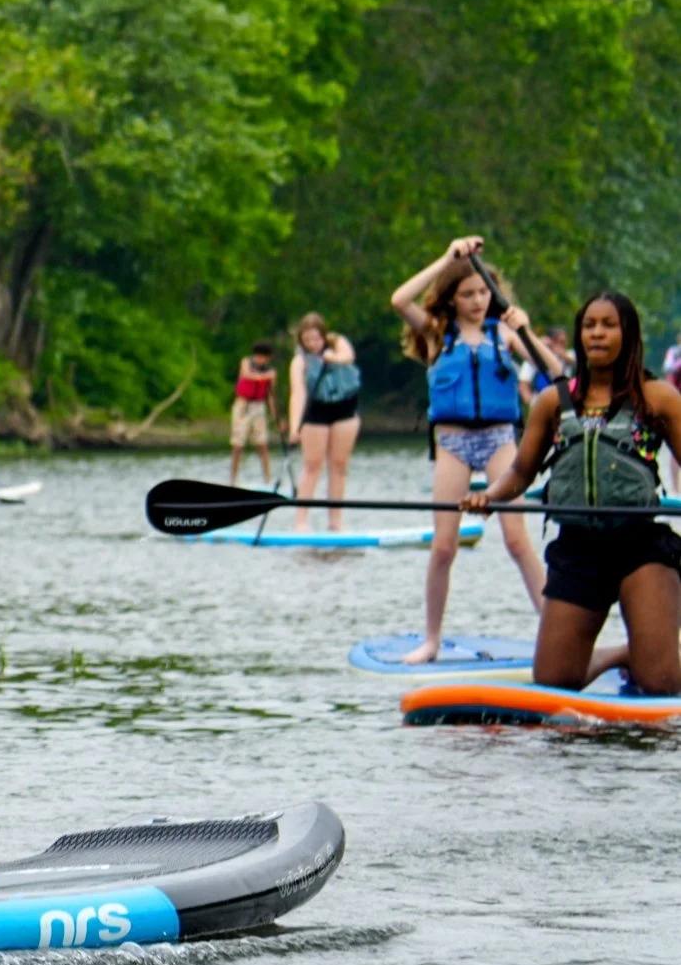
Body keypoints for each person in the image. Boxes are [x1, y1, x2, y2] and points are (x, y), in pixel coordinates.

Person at [467, 290, 681, 693]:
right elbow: (520, 471)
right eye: (589, 325)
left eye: (608, 325)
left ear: (629, 334)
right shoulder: (551, 402)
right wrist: (490, 496)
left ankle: (651, 656)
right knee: (554, 681)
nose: (596, 334)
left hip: (641, 548)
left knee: (662, 683)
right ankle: (619, 654)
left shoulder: (658, 398)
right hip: (577, 549)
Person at [390, 235, 547, 664]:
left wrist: (526, 328)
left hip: (499, 438)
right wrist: (447, 258)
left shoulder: (504, 334)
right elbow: (400, 299)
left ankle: (554, 632)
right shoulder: (437, 334)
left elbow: (555, 372)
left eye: (482, 292)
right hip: (453, 443)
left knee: (518, 542)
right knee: (444, 547)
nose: (478, 301)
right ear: (453, 299)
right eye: (468, 294)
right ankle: (431, 640)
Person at [285, 315, 361, 530]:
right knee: (312, 466)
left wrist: (331, 357)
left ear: (323, 335)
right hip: (315, 412)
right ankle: (301, 521)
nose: (312, 344)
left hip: (344, 409)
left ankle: (335, 521)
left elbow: (348, 356)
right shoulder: (299, 361)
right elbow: (297, 394)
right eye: (307, 340)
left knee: (339, 465)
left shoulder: (337, 342)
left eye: (316, 339)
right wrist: (294, 427)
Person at [229, 341, 278, 487]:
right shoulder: (246, 362)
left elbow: (270, 394)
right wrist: (266, 376)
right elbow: (247, 375)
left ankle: (267, 479)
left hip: (259, 406)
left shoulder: (270, 371)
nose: (259, 359)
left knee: (262, 444)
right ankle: (233, 480)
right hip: (243, 405)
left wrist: (275, 414)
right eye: (257, 356)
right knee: (238, 444)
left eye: (262, 357)